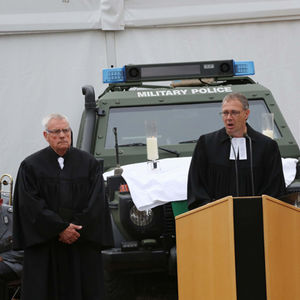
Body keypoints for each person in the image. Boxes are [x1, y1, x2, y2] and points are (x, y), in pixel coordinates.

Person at [13, 113, 113, 300]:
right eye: (56, 131)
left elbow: (96, 202)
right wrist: (59, 228)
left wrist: (74, 228)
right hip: (46, 247)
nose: (62, 135)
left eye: (66, 130)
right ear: (46, 135)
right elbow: (30, 205)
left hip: (80, 243)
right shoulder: (31, 166)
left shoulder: (89, 164)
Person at [187, 93, 286, 210]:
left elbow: (274, 187)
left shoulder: (267, 146)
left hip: (257, 217)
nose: (229, 117)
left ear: (246, 114)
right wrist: (210, 208)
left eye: (234, 112)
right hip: (216, 218)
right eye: (225, 112)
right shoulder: (207, 144)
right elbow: (197, 184)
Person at [0, 199, 23, 300]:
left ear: (0, 201)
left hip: (13, 262)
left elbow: (26, 248)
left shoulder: (15, 216)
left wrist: (2, 257)